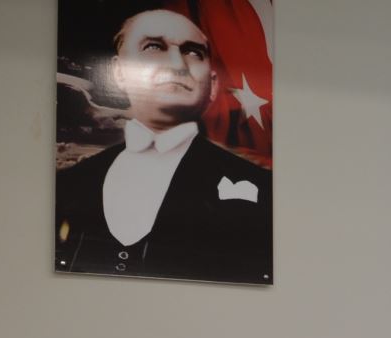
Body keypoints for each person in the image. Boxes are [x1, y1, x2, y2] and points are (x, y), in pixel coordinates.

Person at [54, 7, 273, 284]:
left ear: (213, 84)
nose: (177, 64)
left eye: (193, 52)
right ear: (118, 72)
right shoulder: (70, 183)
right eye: (154, 47)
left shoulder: (262, 188)